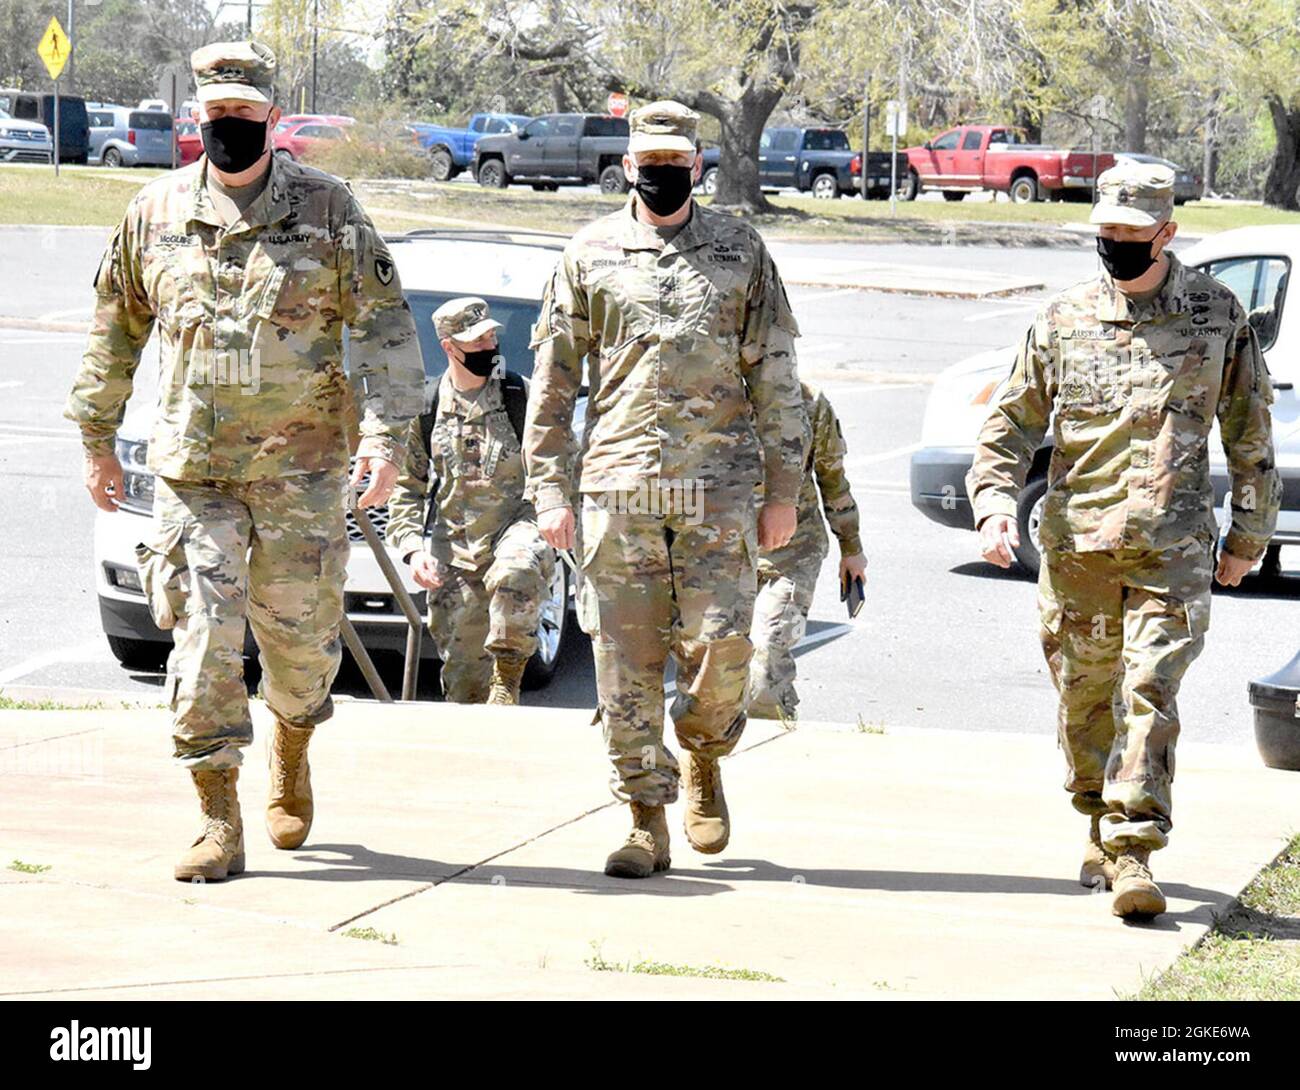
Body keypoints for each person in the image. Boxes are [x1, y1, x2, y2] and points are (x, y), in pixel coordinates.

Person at [64, 41, 425, 881]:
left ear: (272, 115)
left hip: (303, 473)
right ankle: (217, 818)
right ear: (198, 116)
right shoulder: (152, 214)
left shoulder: (330, 211)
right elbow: (114, 334)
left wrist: (386, 439)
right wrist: (95, 439)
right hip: (196, 474)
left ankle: (291, 746)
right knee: (202, 644)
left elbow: (384, 329)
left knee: (300, 655)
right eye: (216, 112)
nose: (230, 124)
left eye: (245, 111)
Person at [966, 161, 1280, 919]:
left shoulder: (1215, 314)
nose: (1116, 245)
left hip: (1171, 553)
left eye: (1132, 234)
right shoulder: (1063, 318)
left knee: (1149, 691)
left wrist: (1249, 535)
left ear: (1167, 233)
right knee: (1085, 705)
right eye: (1105, 232)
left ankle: (1134, 847)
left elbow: (1250, 430)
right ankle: (1098, 818)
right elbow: (1011, 423)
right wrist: (993, 504)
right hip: (1076, 553)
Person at [524, 100, 807, 879]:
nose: (662, 176)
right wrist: (550, 491)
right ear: (626, 167)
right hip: (620, 489)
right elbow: (552, 386)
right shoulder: (587, 253)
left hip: (719, 491)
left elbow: (777, 379)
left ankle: (704, 753)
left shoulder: (739, 250)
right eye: (649, 163)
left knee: (720, 647)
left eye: (677, 164)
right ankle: (646, 817)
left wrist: (784, 489)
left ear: (698, 168)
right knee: (624, 660)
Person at [386, 297, 555, 705]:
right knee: (465, 691)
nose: (488, 347)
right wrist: (412, 550)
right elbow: (407, 487)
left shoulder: (520, 397)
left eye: (491, 337)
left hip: (517, 526)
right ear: (449, 347)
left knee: (515, 569)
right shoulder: (425, 408)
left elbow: (555, 464)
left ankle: (509, 674)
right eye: (476, 341)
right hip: (456, 554)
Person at [747, 381, 866, 720]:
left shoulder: (810, 403)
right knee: (720, 673)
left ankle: (773, 730)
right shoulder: (713, 396)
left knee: (767, 656)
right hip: (725, 556)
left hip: (792, 554)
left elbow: (833, 478)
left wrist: (851, 547)